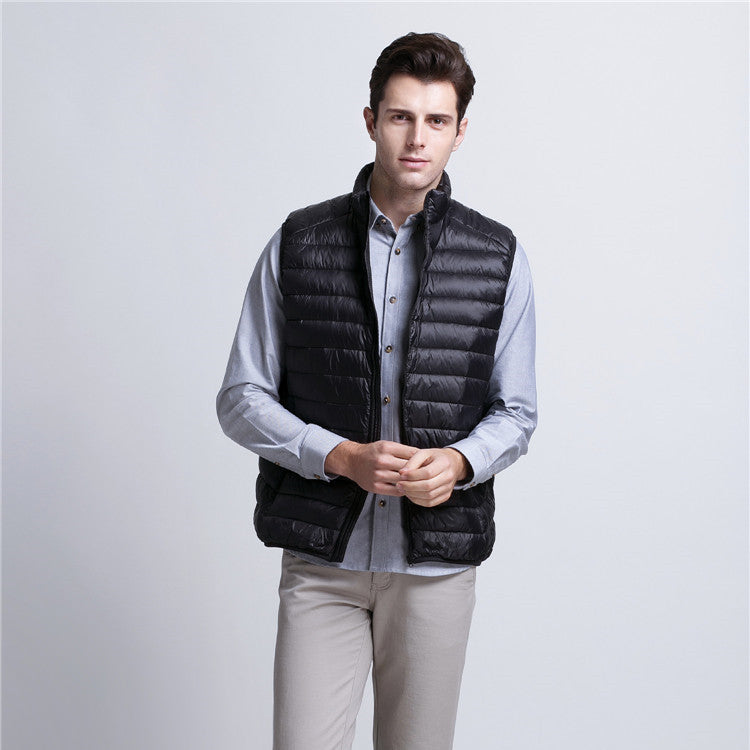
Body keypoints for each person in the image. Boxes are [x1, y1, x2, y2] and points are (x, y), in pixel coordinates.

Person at [217, 31, 537, 750]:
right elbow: (241, 396)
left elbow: (516, 412)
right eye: (400, 117)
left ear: (459, 132)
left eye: (436, 120)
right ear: (371, 121)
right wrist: (339, 456)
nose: (417, 138)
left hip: (433, 570)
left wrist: (458, 462)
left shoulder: (498, 256)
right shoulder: (300, 243)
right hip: (322, 565)